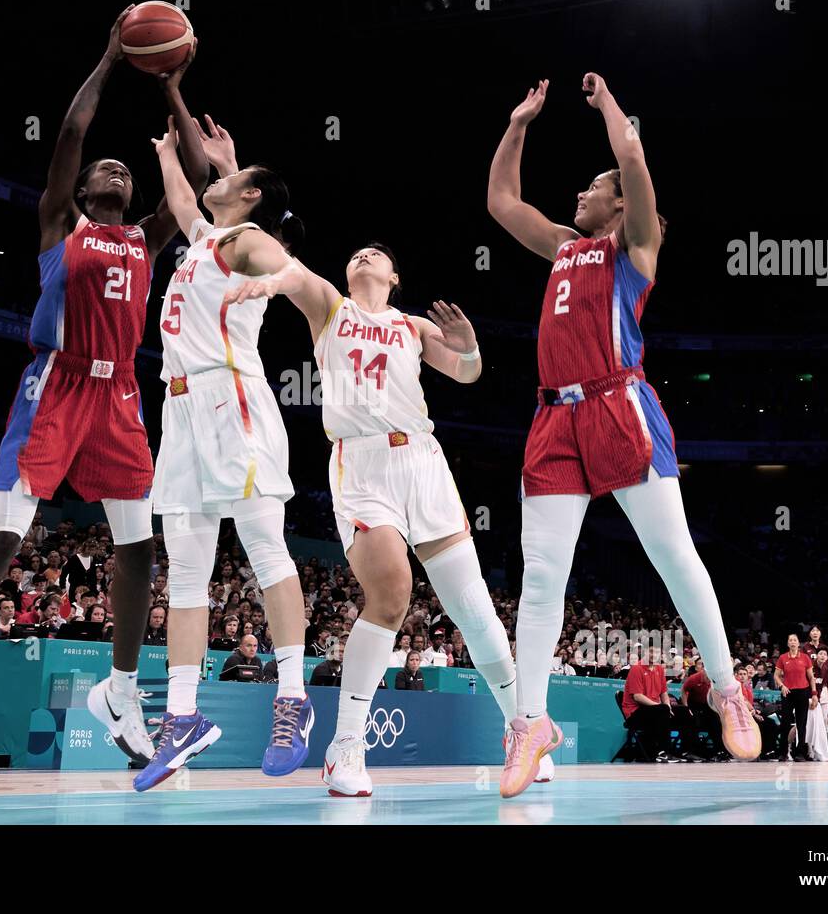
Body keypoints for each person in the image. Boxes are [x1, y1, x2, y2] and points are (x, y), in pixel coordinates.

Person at [0, 6, 209, 780]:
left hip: (120, 401)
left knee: (139, 548)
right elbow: (73, 136)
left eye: (126, 169)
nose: (114, 169)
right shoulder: (61, 225)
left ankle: (120, 693)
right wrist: (114, 59)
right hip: (55, 387)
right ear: (81, 191)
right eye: (102, 171)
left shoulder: (145, 237)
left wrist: (175, 93)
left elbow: (202, 182)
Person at [487, 73, 758, 797]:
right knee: (542, 578)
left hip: (619, 406)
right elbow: (501, 202)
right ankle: (530, 722)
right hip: (554, 419)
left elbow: (634, 162)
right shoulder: (563, 247)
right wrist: (518, 123)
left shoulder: (633, 250)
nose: (580, 195)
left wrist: (608, 107)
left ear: (618, 205)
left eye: (591, 188)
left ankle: (728, 686)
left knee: (672, 555)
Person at [222, 238, 540, 797]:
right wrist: (269, 282)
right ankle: (346, 744)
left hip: (422, 459)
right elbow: (293, 273)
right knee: (392, 593)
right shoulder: (331, 307)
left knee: (473, 608)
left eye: (376, 254)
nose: (364, 256)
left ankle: (525, 729)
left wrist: (470, 350)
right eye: (356, 253)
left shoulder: (412, 327)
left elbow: (466, 372)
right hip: (362, 463)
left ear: (395, 277)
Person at [133, 115, 312, 793]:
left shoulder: (250, 239)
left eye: (232, 178)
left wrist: (275, 280)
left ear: (252, 197)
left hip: (231, 402)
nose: (216, 180)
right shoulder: (208, 236)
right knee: (184, 574)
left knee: (267, 551)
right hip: (178, 412)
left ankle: (291, 698)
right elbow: (184, 201)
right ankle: (182, 718)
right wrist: (168, 154)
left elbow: (291, 271)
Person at [775, 633, 817, 761]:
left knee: (801, 723)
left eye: (795, 640)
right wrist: (782, 686)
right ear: (788, 644)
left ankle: (800, 753)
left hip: (803, 692)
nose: (792, 642)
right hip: (787, 693)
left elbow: (811, 677)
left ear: (798, 644)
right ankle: (783, 753)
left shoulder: (805, 658)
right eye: (790, 640)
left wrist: (814, 694)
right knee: (785, 723)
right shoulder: (782, 658)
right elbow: (776, 676)